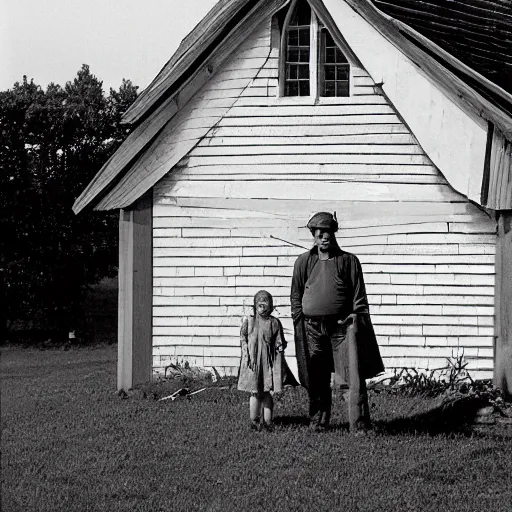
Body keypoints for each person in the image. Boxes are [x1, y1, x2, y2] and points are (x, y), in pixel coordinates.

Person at [290, 212, 384, 432]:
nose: (324, 237)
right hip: (312, 328)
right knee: (317, 377)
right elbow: (296, 295)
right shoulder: (303, 262)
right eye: (319, 233)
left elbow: (359, 296)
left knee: (350, 377)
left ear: (334, 234)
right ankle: (318, 422)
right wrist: (300, 318)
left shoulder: (348, 261)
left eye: (328, 233)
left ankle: (359, 425)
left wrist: (356, 316)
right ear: (313, 235)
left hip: (341, 329)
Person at [238, 290, 297, 431]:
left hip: (268, 364)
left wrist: (280, 347)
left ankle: (268, 422)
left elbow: (279, 341)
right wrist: (246, 354)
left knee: (266, 392)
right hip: (253, 364)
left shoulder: (274, 323)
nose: (263, 307)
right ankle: (254, 421)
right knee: (254, 392)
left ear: (270, 306)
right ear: (255, 305)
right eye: (260, 303)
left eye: (266, 303)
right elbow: (243, 339)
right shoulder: (249, 322)